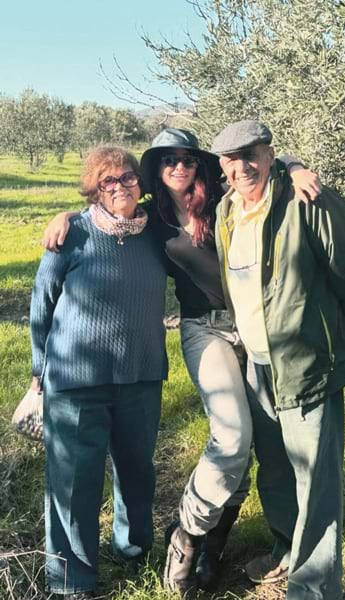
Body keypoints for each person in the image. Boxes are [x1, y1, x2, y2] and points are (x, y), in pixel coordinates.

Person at [41, 128, 322, 594]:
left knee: (264, 441)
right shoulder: (151, 221)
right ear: (155, 169)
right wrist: (66, 215)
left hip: (258, 327)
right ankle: (187, 536)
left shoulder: (224, 200)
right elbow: (105, 210)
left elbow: (259, 168)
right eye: (167, 159)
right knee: (232, 438)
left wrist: (294, 166)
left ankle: (216, 544)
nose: (178, 165)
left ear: (199, 163)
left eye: (187, 157)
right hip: (203, 328)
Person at [212, 120, 345, 600]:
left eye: (251, 154)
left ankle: (314, 587)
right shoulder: (225, 212)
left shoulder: (307, 201)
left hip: (307, 364)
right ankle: (287, 549)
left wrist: (328, 340)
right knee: (277, 469)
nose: (241, 167)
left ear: (269, 153)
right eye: (229, 158)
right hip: (257, 365)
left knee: (315, 481)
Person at [31, 147, 168, 599]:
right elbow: (41, 305)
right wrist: (39, 371)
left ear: (141, 183)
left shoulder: (156, 233)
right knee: (73, 485)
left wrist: (289, 165)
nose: (121, 186)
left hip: (142, 377)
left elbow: (215, 189)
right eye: (108, 181)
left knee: (137, 474)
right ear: (95, 189)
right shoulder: (72, 234)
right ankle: (72, 581)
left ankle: (133, 550)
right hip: (75, 383)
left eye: (128, 177)